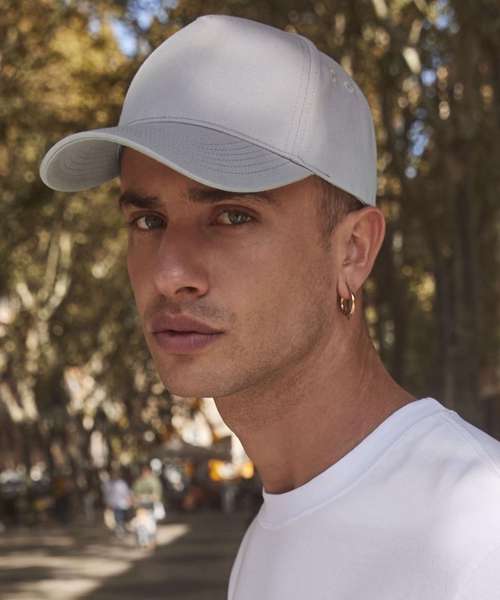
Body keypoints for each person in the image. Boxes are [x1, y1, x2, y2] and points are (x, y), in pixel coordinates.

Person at [39, 15, 500, 599]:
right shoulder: (276, 527)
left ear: (353, 251)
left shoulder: (479, 535)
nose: (169, 274)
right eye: (148, 221)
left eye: (233, 216)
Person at [102, 468, 132, 536]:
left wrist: (129, 501)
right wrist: (107, 503)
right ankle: (119, 529)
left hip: (121, 504)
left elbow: (126, 493)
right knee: (116, 518)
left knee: (120, 517)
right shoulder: (108, 484)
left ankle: (120, 529)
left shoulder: (121, 483)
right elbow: (106, 494)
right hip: (113, 504)